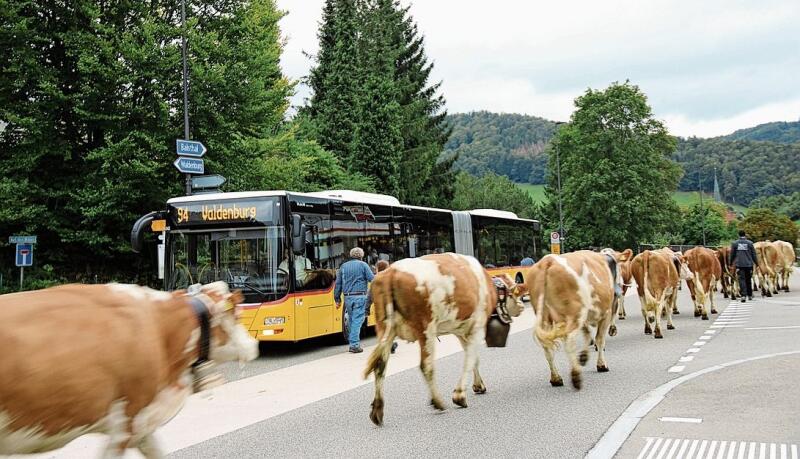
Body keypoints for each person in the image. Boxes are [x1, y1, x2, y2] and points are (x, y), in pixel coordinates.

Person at [334, 247, 374, 353]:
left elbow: (338, 284)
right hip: (360, 296)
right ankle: (354, 345)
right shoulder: (363, 265)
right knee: (358, 320)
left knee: (352, 320)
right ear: (361, 256)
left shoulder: (343, 267)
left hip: (347, 297)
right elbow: (372, 279)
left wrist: (337, 299)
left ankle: (353, 342)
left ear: (351, 255)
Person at [366, 260, 398, 354]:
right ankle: (390, 344)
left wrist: (366, 309)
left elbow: (369, 296)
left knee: (382, 326)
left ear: (377, 269)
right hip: (390, 306)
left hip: (379, 307)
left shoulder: (375, 280)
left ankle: (387, 344)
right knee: (390, 326)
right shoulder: (392, 279)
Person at [729, 230, 758, 303]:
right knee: (748, 279)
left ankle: (743, 296)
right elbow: (753, 254)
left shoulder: (735, 244)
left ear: (738, 235)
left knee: (741, 280)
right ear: (745, 235)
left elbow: (732, 255)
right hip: (749, 264)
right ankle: (750, 295)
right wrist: (756, 263)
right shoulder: (750, 243)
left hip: (739, 265)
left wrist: (730, 263)